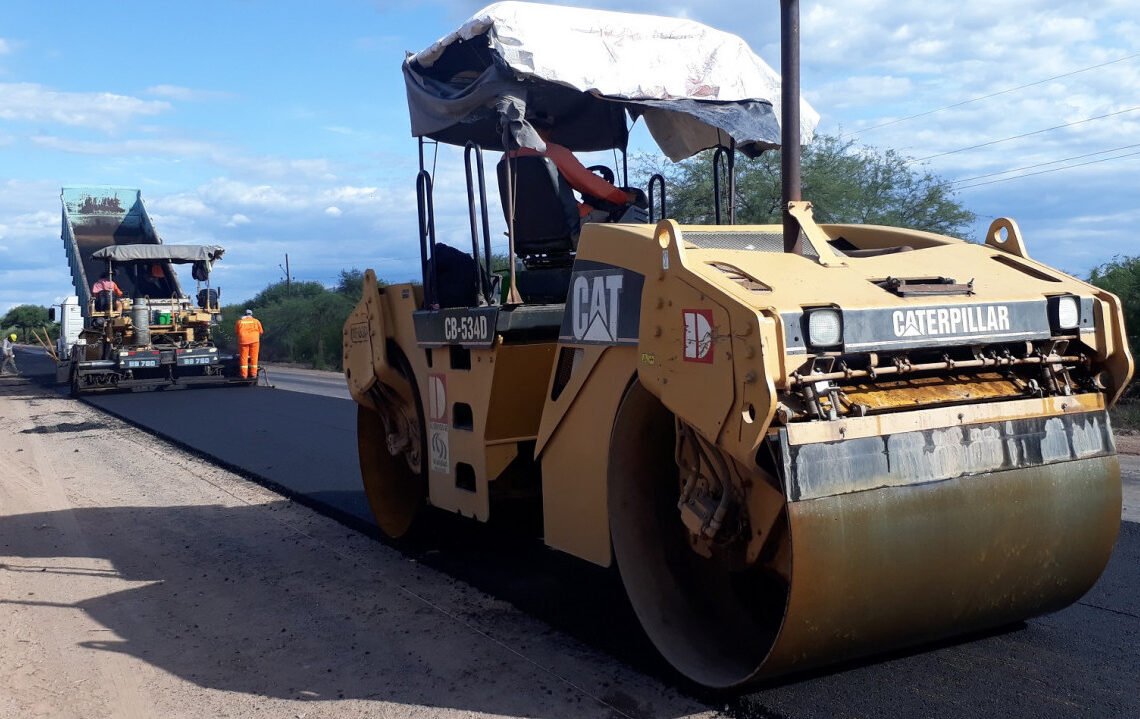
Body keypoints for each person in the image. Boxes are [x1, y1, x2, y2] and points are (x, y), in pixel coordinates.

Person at [512, 116, 645, 223]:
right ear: (548, 129)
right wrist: (623, 197)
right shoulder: (551, 151)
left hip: (525, 228)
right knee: (620, 220)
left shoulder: (507, 158)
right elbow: (587, 182)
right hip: (569, 222)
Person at [234, 309, 264, 380]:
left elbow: (236, 332)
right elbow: (261, 331)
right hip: (254, 341)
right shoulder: (256, 321)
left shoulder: (240, 322)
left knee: (244, 358)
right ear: (251, 314)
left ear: (245, 314)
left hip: (243, 341)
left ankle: (244, 375)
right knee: (254, 357)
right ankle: (253, 374)